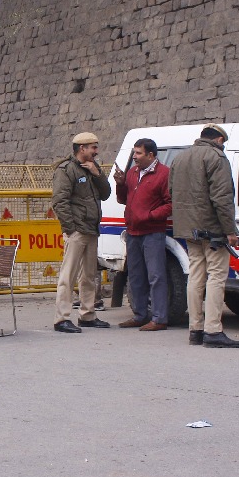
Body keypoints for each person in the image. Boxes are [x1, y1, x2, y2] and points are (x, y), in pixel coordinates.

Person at [169, 124, 239, 348]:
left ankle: (195, 329)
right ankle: (213, 330)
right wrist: (230, 230)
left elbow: (172, 191)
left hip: (188, 228)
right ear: (219, 140)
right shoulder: (216, 157)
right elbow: (222, 198)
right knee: (217, 278)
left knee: (195, 276)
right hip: (212, 229)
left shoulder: (180, 158)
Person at [52, 131, 112, 333]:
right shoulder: (67, 170)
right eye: (93, 147)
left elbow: (106, 194)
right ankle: (61, 318)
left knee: (88, 275)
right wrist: (70, 228)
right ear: (81, 149)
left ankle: (87, 314)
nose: (96, 151)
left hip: (91, 229)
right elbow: (60, 202)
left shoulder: (92, 169)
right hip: (77, 230)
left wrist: (97, 173)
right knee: (68, 275)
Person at [113, 137, 172, 331]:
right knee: (136, 275)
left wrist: (150, 216)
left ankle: (159, 318)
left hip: (152, 232)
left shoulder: (164, 174)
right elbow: (123, 199)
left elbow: (170, 203)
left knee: (156, 276)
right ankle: (139, 315)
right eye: (134, 152)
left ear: (151, 155)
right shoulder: (132, 173)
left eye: (138, 153)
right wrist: (120, 184)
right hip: (133, 231)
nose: (134, 157)